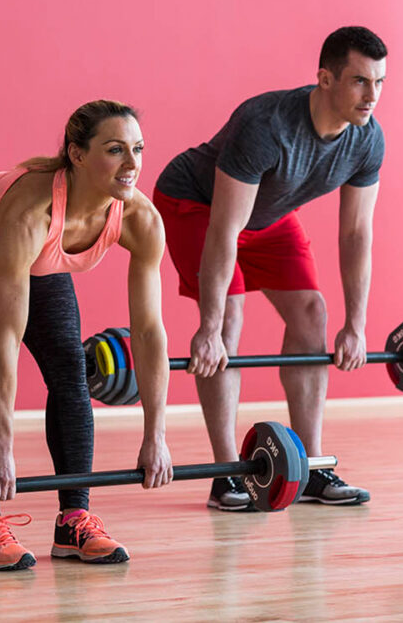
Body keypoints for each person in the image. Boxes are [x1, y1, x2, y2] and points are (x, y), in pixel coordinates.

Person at [0, 100, 173, 570]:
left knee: (69, 368)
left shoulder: (141, 219)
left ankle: (74, 518)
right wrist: (3, 447)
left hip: (35, 253)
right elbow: (7, 340)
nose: (132, 163)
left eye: (138, 148)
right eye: (115, 150)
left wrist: (156, 434)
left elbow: (149, 331)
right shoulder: (31, 211)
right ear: (76, 154)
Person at [152, 26, 387, 510]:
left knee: (312, 314)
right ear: (325, 78)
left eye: (380, 82)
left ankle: (313, 469)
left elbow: (356, 233)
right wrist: (210, 328)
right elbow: (224, 229)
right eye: (360, 81)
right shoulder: (266, 125)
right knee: (229, 319)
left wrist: (356, 326)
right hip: (197, 203)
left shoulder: (367, 140)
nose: (372, 96)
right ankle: (227, 475)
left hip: (269, 214)